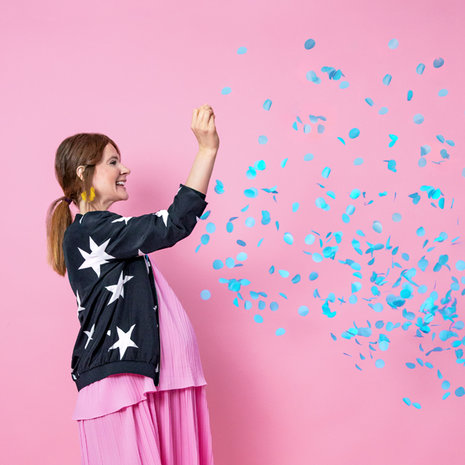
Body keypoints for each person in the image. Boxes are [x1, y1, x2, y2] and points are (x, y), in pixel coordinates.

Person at [45, 104, 219, 464]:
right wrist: (206, 150)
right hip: (124, 384)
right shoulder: (93, 231)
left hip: (156, 381)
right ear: (84, 172)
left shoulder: (108, 233)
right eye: (112, 162)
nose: (125, 169)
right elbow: (171, 224)